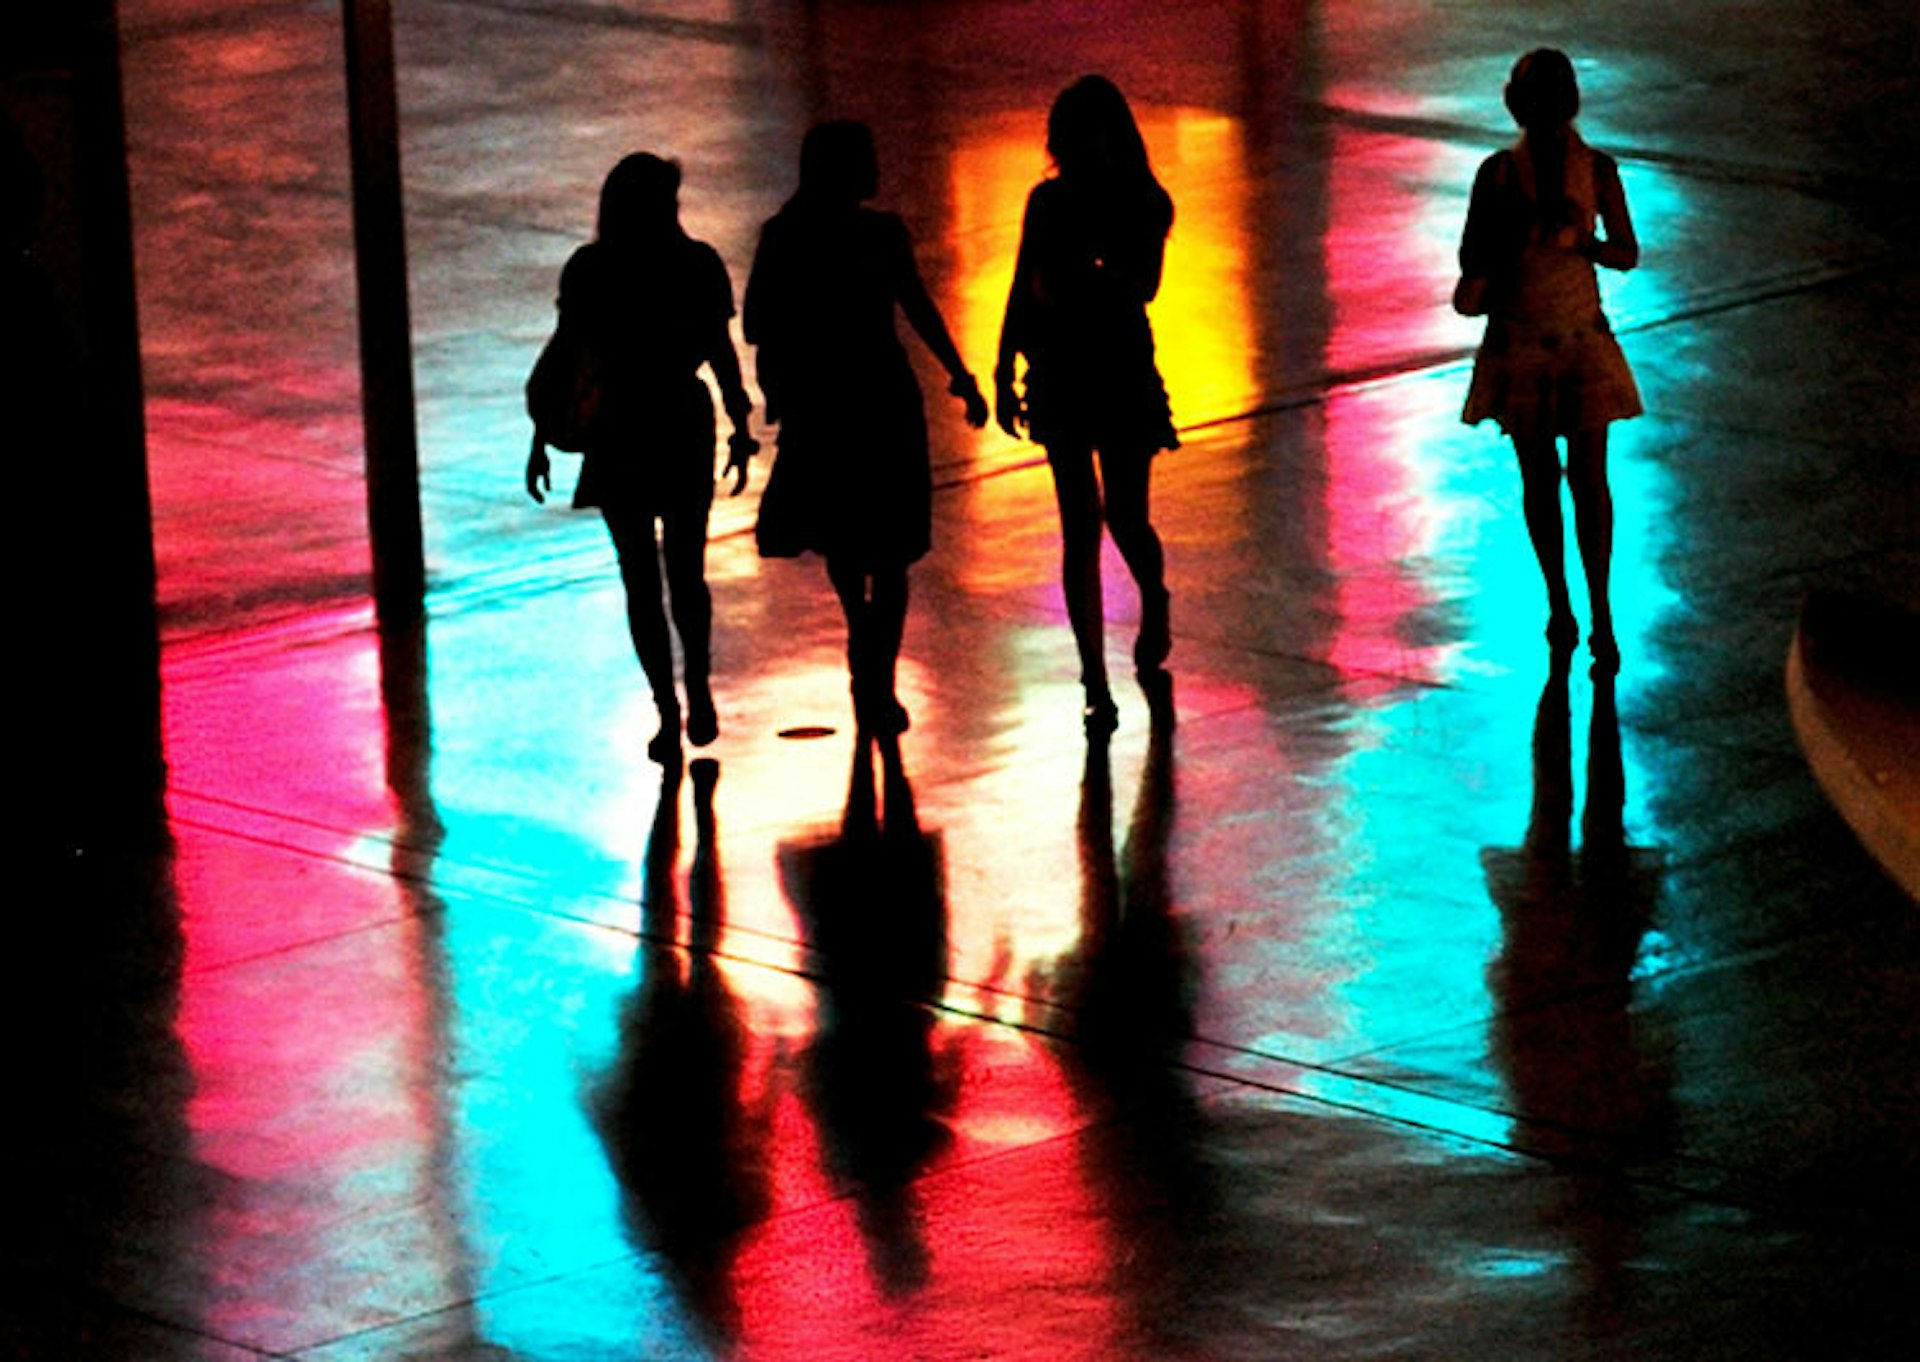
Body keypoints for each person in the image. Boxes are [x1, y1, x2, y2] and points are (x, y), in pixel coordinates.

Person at [744, 121, 987, 737]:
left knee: (846, 541)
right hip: (884, 399)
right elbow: (918, 306)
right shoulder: (882, 235)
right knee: (894, 549)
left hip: (824, 405)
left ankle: (863, 644)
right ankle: (878, 672)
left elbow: (756, 323)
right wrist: (959, 374)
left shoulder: (784, 237)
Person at [526, 153, 757, 762]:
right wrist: (738, 418)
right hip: (682, 420)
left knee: (639, 578)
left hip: (618, 428)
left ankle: (667, 709)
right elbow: (718, 348)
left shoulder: (591, 270)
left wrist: (542, 432)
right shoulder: (698, 265)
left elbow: (566, 356)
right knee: (688, 572)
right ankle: (699, 689)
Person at [995, 75, 1179, 736]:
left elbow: (1144, 286)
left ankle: (1152, 598)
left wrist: (1084, 280)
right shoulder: (1046, 203)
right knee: (1080, 526)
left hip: (1114, 368)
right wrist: (1003, 361)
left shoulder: (1143, 203)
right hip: (1064, 370)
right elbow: (1022, 281)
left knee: (1126, 518)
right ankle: (1094, 679)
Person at [1456, 49, 1642, 674]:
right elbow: (1624, 253)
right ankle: (1595, 613)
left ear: (1515, 105)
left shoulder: (1500, 175)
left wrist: (1553, 241)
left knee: (1545, 479)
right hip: (1576, 336)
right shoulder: (1593, 169)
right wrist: (1580, 242)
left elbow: (1470, 269)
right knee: (1586, 480)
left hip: (1527, 340)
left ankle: (1565, 606)